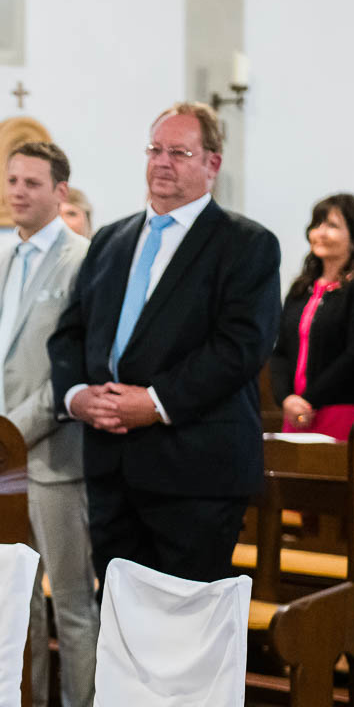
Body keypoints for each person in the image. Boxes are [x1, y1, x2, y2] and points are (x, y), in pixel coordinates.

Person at [49, 101, 282, 583]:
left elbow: (240, 346)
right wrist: (78, 396)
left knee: (184, 626)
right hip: (112, 465)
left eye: (179, 152)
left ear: (212, 164)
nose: (161, 162)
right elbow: (71, 332)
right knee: (118, 618)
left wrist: (156, 402)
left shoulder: (245, 244)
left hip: (194, 470)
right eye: (155, 149)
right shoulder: (111, 240)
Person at [0, 140, 97, 707]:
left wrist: (11, 432)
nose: (18, 191)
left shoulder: (86, 260)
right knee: (13, 604)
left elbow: (77, 363)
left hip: (53, 458)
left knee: (71, 601)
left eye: (32, 183)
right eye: (12, 180)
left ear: (60, 192)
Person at [267, 193, 354, 440]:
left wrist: (309, 400)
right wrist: (286, 399)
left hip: (343, 410)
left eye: (332, 226)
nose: (321, 233)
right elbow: (281, 351)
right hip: (298, 414)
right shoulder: (301, 289)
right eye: (317, 225)